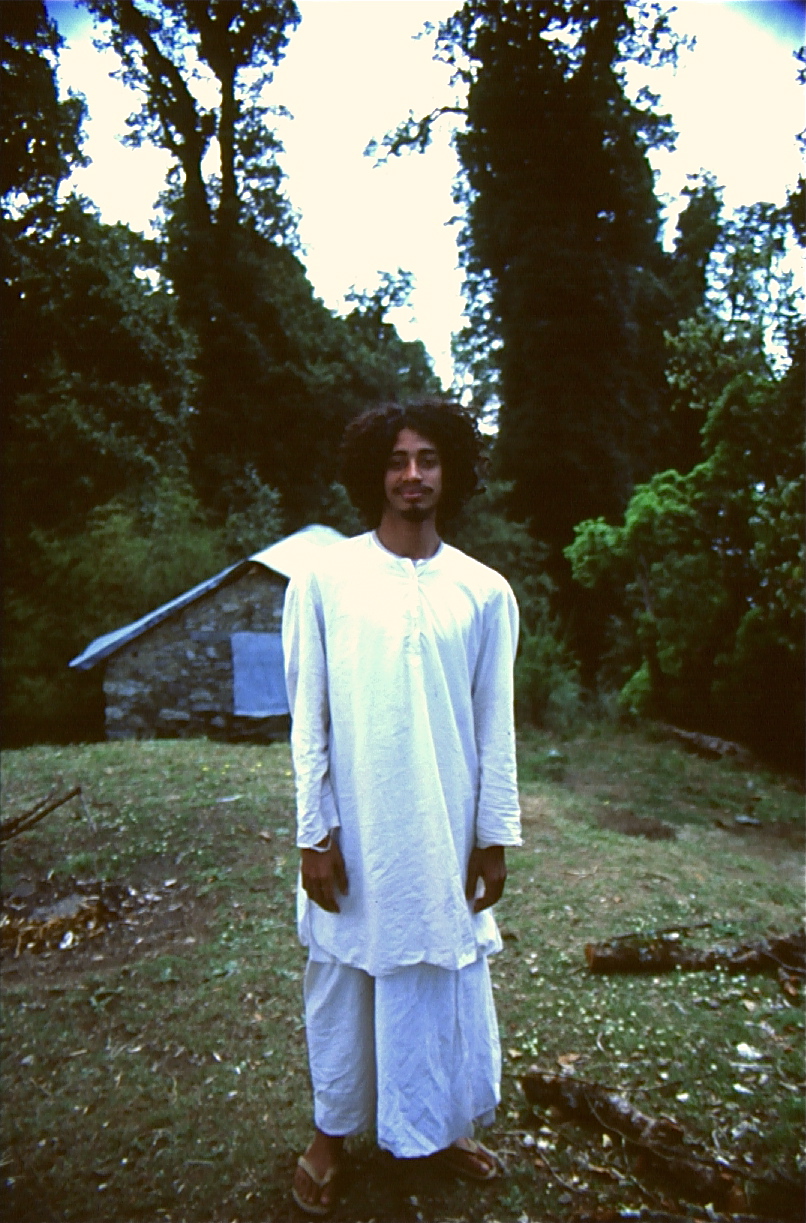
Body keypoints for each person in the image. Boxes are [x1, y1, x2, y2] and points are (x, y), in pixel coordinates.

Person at [282, 399, 521, 1216]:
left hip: (443, 828)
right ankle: (330, 1136)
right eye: (396, 460)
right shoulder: (324, 579)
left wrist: (493, 836)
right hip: (358, 831)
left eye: (427, 459)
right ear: (372, 474)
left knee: (439, 973)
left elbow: (495, 724)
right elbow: (307, 717)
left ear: (450, 470)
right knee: (344, 974)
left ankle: (439, 1123)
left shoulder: (485, 591)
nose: (412, 475)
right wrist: (315, 833)